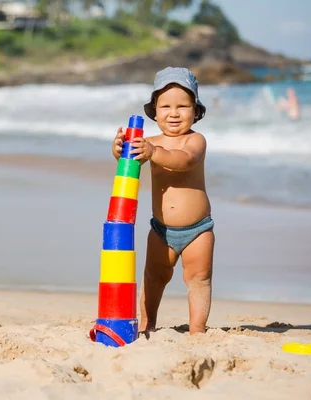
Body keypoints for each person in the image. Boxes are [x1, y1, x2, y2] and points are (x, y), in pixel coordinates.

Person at [111, 67, 215, 335]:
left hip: (197, 230)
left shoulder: (195, 141)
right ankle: (147, 325)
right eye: (166, 106)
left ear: (196, 111)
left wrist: (154, 152)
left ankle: (197, 330)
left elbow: (183, 161)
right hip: (161, 231)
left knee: (199, 279)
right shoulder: (149, 142)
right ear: (154, 112)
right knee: (153, 278)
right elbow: (128, 162)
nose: (174, 112)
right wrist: (120, 149)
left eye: (183, 106)